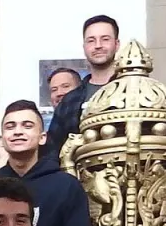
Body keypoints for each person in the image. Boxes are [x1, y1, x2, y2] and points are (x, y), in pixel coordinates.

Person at [0, 100, 93, 226]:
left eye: (27, 125)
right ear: (2, 138)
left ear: (42, 137)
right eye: (10, 126)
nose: (18, 131)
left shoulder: (66, 186)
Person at [47, 15, 121, 159]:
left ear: (117, 44)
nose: (98, 45)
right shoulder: (69, 101)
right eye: (91, 40)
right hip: (79, 178)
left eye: (105, 39)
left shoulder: (136, 91)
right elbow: (53, 151)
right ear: (84, 47)